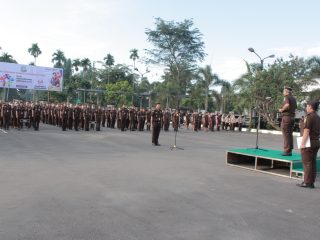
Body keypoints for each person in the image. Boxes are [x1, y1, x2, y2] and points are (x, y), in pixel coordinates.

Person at [297, 101, 320, 188]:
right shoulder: (317, 117)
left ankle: (307, 182)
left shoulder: (310, 117)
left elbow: (307, 131)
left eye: (307, 106)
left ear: (310, 107)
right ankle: (311, 182)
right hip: (316, 141)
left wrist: (303, 143)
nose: (306, 108)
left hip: (309, 142)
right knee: (312, 163)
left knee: (307, 163)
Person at [279, 86, 297, 156]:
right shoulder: (294, 98)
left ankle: (287, 151)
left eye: (283, 91)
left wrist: (282, 110)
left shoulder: (287, 97)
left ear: (287, 92)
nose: (283, 93)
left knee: (286, 134)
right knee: (289, 134)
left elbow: (287, 105)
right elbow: (295, 109)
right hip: (292, 117)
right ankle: (289, 150)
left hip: (286, 117)